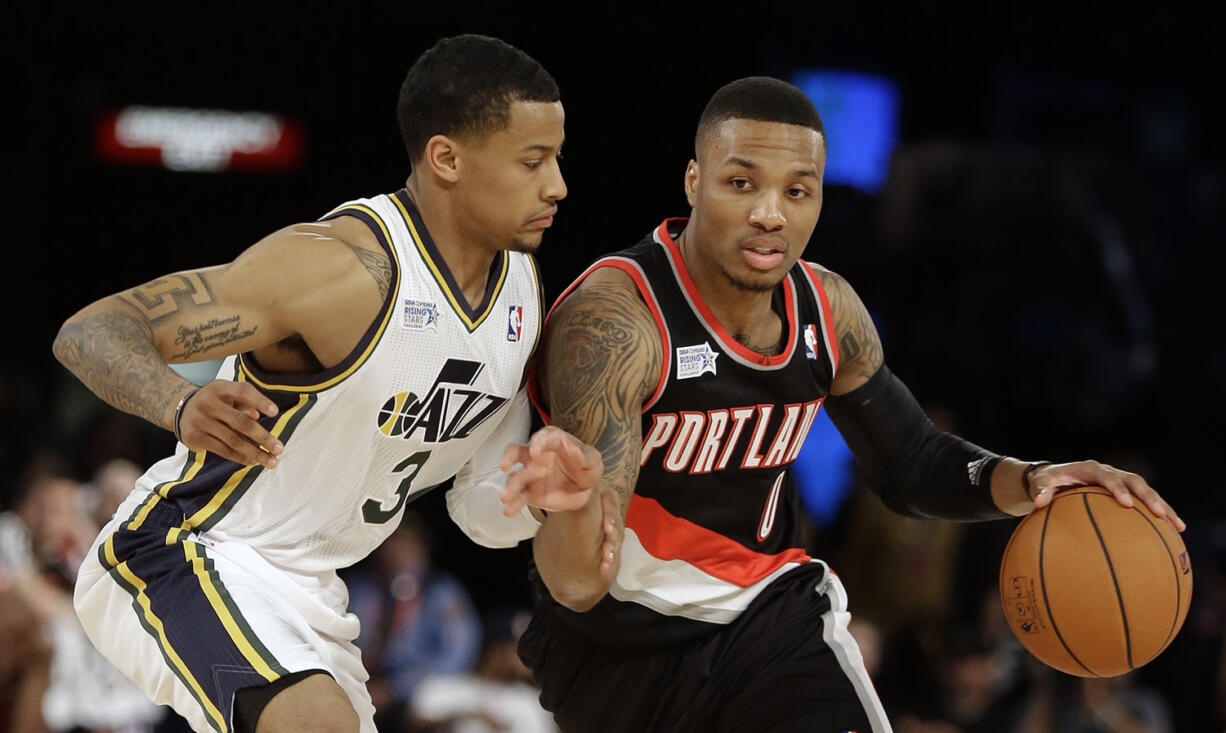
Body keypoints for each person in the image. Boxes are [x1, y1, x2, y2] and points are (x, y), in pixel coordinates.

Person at [500, 76, 1186, 732]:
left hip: (768, 622)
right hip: (617, 650)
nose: (771, 213)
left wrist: (1034, 479)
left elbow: (911, 461)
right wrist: (570, 506)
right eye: (743, 183)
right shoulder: (619, 323)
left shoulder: (827, 312)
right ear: (694, 181)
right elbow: (577, 580)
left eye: (798, 191)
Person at [52, 34, 605, 733]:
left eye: (556, 157)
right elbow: (91, 329)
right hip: (186, 550)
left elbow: (480, 512)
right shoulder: (342, 270)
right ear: (447, 158)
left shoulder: (519, 294)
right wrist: (179, 400)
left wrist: (536, 491)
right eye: (533, 162)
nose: (558, 184)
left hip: (311, 593)